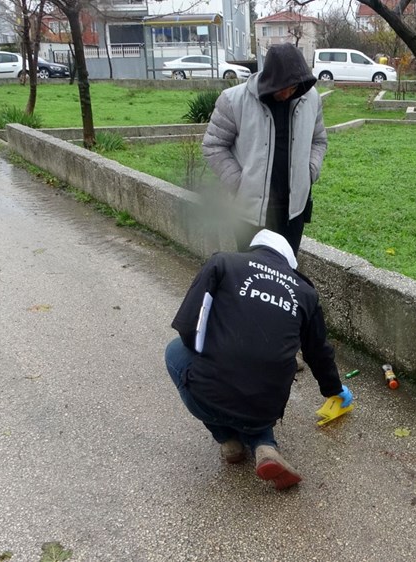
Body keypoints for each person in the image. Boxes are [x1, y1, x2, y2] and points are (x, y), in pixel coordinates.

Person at [164, 229, 352, 490]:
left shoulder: (224, 262)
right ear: (288, 263)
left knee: (173, 351)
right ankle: (264, 445)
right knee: (261, 382)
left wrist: (216, 353)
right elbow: (318, 352)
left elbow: (187, 326)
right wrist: (334, 390)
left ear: (255, 250)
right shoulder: (305, 292)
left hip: (208, 396)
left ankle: (228, 440)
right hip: (266, 406)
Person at [202, 43, 327, 255]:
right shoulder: (233, 100)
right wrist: (239, 183)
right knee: (252, 275)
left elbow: (319, 140)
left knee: (286, 274)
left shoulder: (310, 98)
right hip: (249, 214)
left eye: (294, 87)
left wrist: (309, 172)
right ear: (269, 79)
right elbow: (213, 145)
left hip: (293, 212)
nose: (288, 93)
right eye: (283, 87)